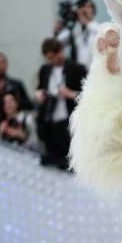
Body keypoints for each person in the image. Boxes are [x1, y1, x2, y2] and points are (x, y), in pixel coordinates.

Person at [36, 38, 86, 170]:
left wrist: (70, 94)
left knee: (66, 164)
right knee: (48, 162)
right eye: (47, 58)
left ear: (60, 52)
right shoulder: (45, 69)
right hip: (48, 120)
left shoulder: (77, 69)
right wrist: (39, 93)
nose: (50, 61)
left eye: (52, 57)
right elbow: (40, 87)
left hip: (68, 121)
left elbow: (87, 96)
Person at [55, 0, 99, 70]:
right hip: (78, 76)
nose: (84, 10)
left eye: (88, 6)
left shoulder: (100, 28)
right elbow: (57, 43)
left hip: (95, 74)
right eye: (81, 7)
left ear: (93, 10)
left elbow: (95, 29)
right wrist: (58, 31)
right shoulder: (74, 30)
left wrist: (85, 22)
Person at [0, 52, 33, 125]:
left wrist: (15, 102)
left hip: (13, 126)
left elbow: (29, 105)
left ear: (6, 64)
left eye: (1, 63)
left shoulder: (16, 84)